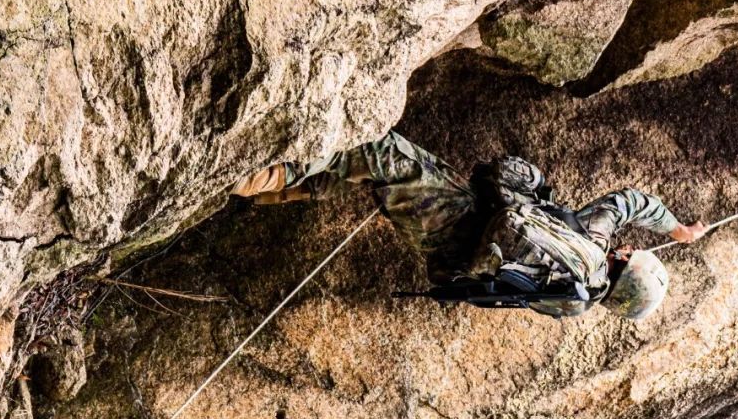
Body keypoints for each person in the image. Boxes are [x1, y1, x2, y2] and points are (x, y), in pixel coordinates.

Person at [232, 131, 707, 320]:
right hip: (449, 260)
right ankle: (271, 187)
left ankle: (254, 177)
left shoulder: (592, 243)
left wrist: (676, 230)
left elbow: (627, 202)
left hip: (456, 220)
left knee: (381, 152)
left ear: (626, 263)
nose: (625, 250)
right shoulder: (570, 304)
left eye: (629, 255)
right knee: (378, 177)